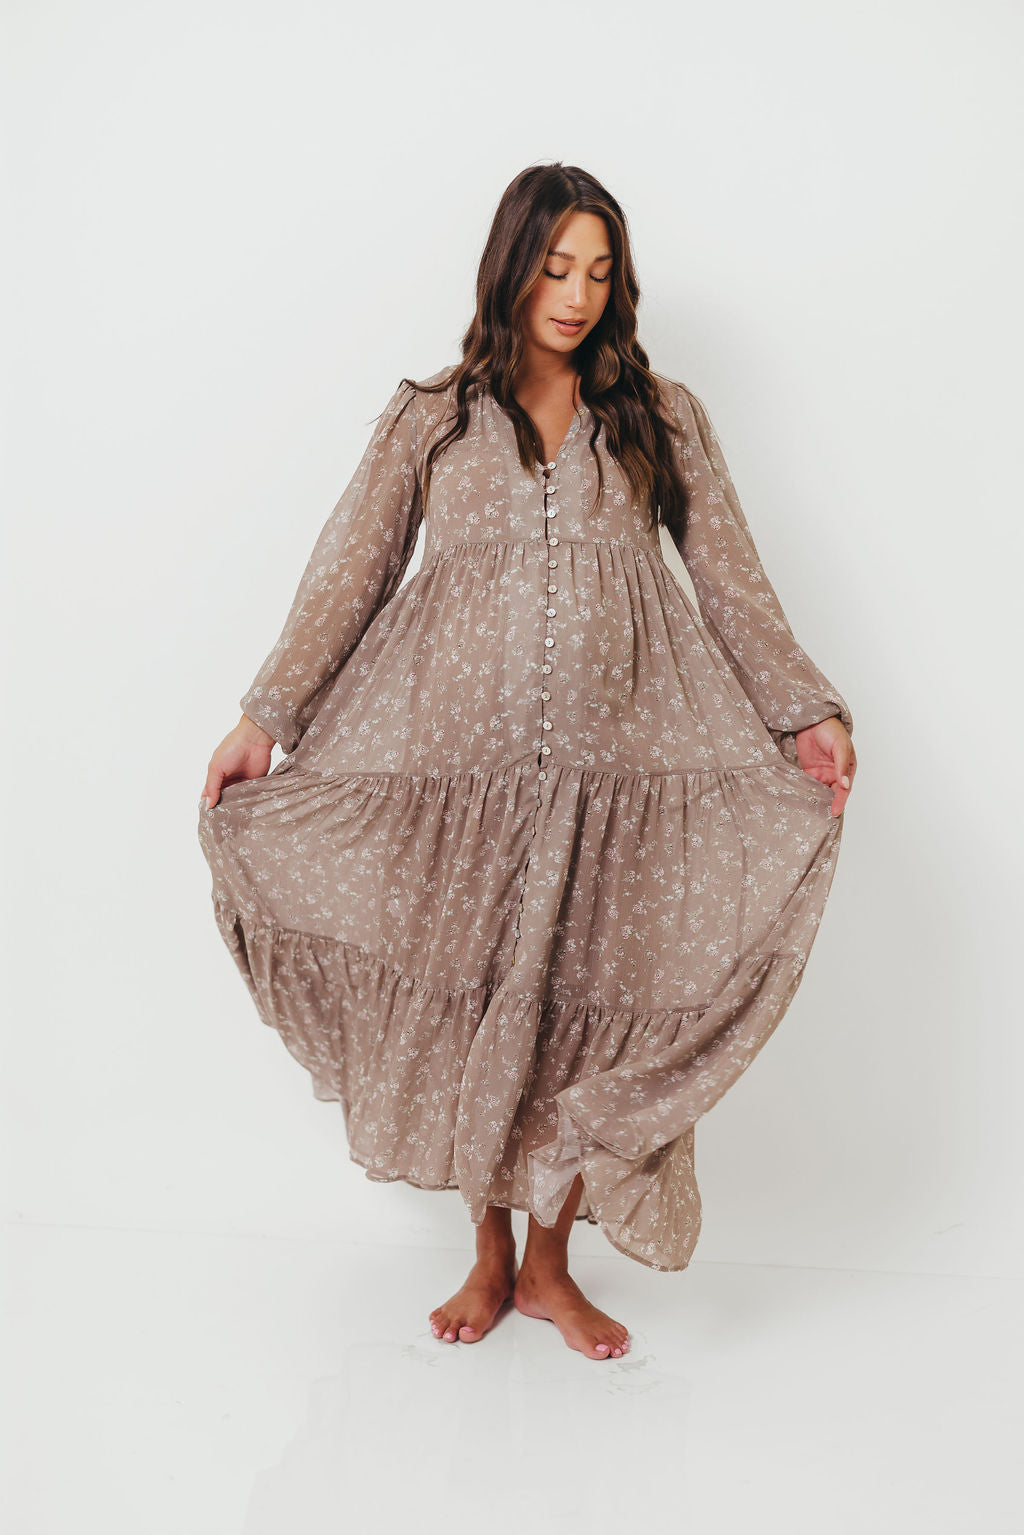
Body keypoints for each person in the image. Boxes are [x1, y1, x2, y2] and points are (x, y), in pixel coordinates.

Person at [198, 162, 856, 1362]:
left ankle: (551, 1267)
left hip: (615, 781)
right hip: (455, 778)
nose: (578, 293)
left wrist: (799, 709)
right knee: (474, 1003)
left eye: (600, 271)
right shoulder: (433, 417)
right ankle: (490, 1254)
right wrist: (266, 715)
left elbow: (727, 574)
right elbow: (350, 566)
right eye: (557, 267)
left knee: (570, 1006)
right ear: (511, 267)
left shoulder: (659, 415)